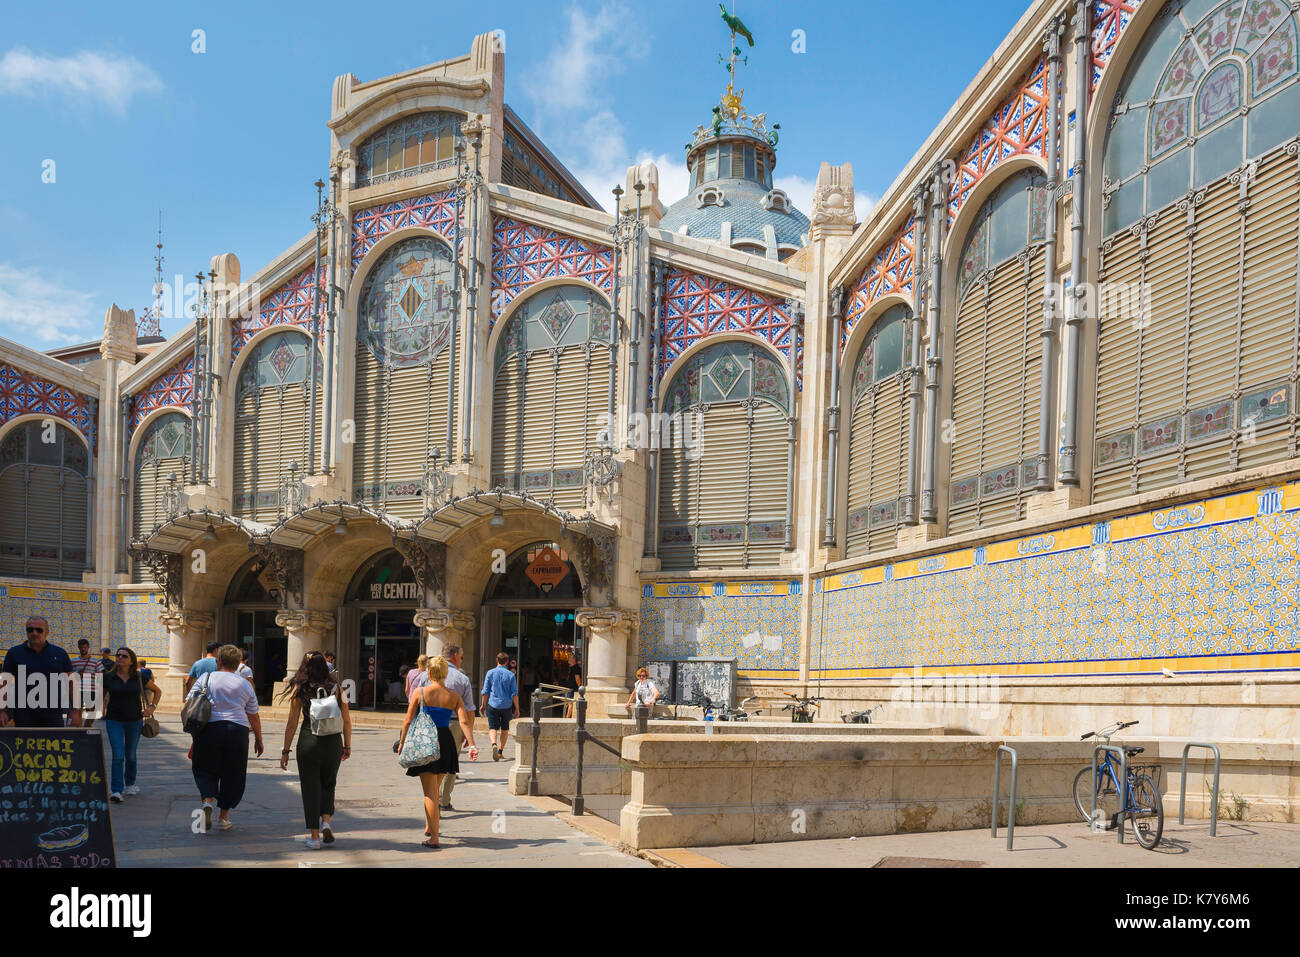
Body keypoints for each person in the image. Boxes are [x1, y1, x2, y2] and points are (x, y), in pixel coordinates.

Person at [397, 655, 477, 848]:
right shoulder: (454, 696)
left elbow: (408, 720)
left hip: (427, 741)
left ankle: (434, 838)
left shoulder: (420, 692)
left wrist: (402, 742)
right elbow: (464, 721)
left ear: (429, 672)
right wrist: (472, 744)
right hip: (446, 741)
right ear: (446, 672)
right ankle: (429, 824)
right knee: (436, 787)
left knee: (429, 793)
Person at [277, 652, 351, 849]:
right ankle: (326, 821)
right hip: (333, 742)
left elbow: (291, 724)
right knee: (329, 784)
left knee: (310, 789)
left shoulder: (300, 689)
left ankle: (315, 837)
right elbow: (347, 720)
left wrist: (285, 751)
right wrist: (347, 745)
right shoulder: (337, 688)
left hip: (309, 741)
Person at [186, 644, 263, 832]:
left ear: (219, 661)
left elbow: (189, 702)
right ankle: (223, 818)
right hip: (237, 730)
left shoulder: (206, 678)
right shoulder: (244, 683)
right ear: (238, 664)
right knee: (233, 773)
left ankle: (207, 801)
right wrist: (259, 738)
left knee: (204, 768)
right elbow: (253, 714)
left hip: (209, 729)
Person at [102, 647, 162, 802]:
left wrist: (151, 707)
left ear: (131, 660)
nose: (120, 658)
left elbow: (157, 691)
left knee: (131, 755)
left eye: (124, 656)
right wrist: (99, 707)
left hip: (134, 720)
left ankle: (130, 783)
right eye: (118, 655)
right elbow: (98, 694)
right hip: (114, 720)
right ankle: (116, 790)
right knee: (118, 755)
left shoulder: (139, 677)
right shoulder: (108, 677)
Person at [0, 616, 79, 728]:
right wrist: (2, 711)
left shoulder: (60, 653)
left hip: (53, 716)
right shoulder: (14, 653)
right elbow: (4, 683)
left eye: (39, 630)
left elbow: (72, 682)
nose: (34, 633)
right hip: (23, 716)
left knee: (54, 744)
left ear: (47, 632)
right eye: (30, 629)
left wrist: (75, 710)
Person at [439, 643, 476, 811]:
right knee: (450, 763)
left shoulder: (427, 676)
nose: (461, 660)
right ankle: (444, 800)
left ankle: (431, 798)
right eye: (461, 657)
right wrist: (469, 737)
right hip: (454, 723)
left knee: (432, 762)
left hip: (431, 722)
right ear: (454, 656)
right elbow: (469, 711)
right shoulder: (461, 679)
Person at [479, 651, 519, 761]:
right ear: (507, 662)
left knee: (492, 727)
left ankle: (493, 744)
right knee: (505, 729)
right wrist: (517, 709)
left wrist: (483, 705)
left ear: (497, 660)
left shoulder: (490, 673)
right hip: (506, 706)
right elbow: (514, 693)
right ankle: (500, 751)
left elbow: (485, 691)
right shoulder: (511, 675)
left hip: (493, 704)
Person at [72, 639, 103, 727]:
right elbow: (69, 675)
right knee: (77, 710)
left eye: (85, 647)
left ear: (88, 648)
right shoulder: (73, 661)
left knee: (91, 712)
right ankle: (79, 729)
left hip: (91, 689)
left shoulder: (96, 661)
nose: (83, 649)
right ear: (78, 648)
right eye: (81, 647)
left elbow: (100, 676)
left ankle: (86, 727)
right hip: (77, 690)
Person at [563, 653, 582, 718]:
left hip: (573, 688)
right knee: (569, 703)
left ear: (573, 660)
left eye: (570, 658)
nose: (568, 659)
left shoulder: (576, 668)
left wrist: (580, 687)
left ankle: (567, 717)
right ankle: (567, 716)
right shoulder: (571, 667)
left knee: (570, 703)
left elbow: (577, 679)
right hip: (570, 688)